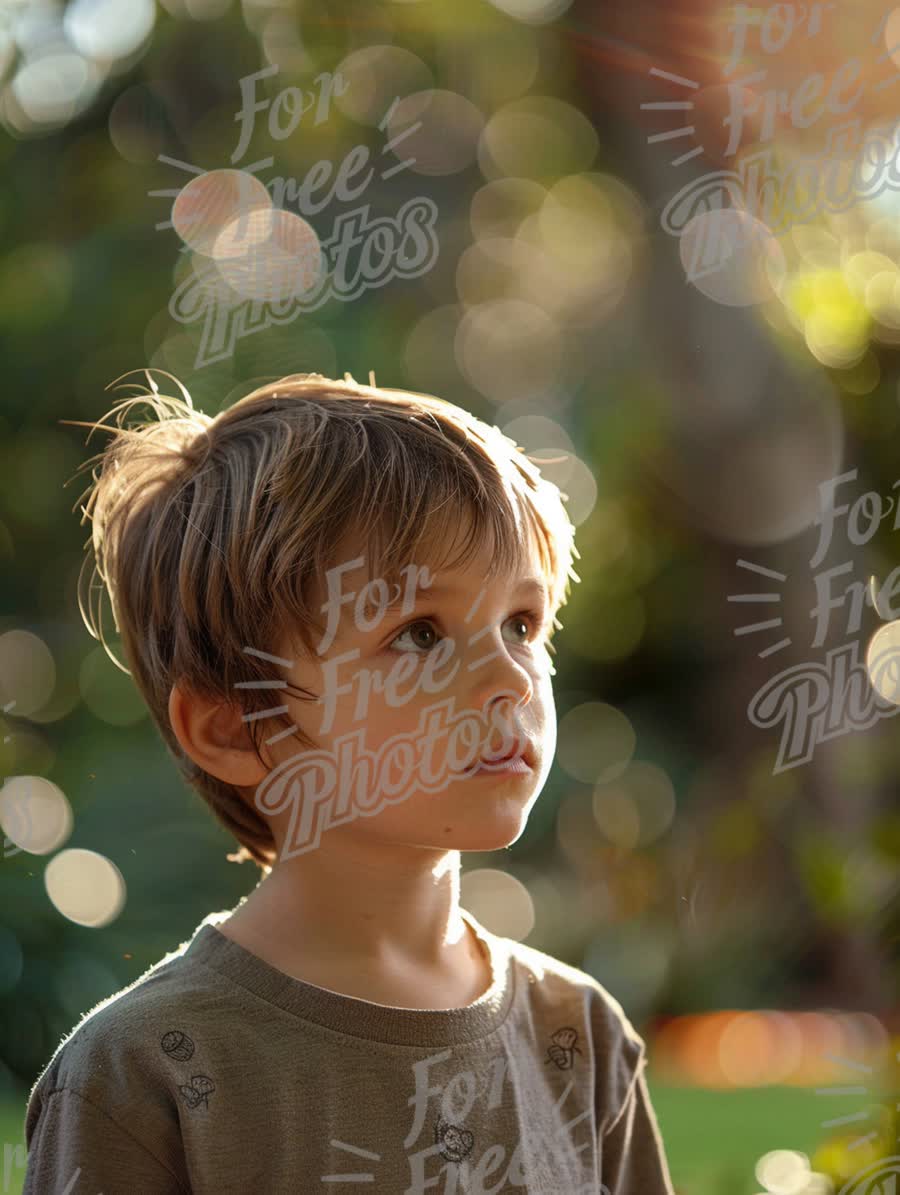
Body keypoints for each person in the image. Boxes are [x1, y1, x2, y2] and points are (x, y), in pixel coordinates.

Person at [22, 370, 677, 1194]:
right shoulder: (142, 1073)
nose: (509, 675)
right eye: (420, 632)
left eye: (521, 621)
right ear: (235, 726)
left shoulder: (579, 1037)